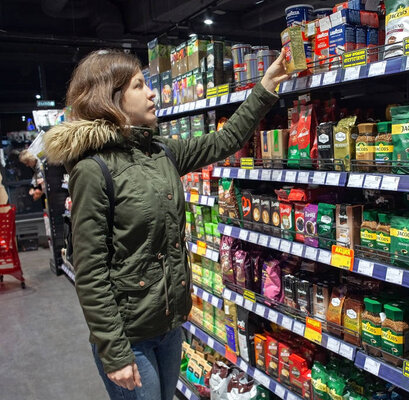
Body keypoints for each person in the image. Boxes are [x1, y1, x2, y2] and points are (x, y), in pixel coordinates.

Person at [43, 49, 289, 400]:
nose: (152, 93)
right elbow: (91, 270)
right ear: (111, 98)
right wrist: (114, 351)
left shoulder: (160, 152)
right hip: (130, 337)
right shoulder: (92, 170)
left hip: (169, 326)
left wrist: (266, 85)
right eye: (139, 85)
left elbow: (224, 141)